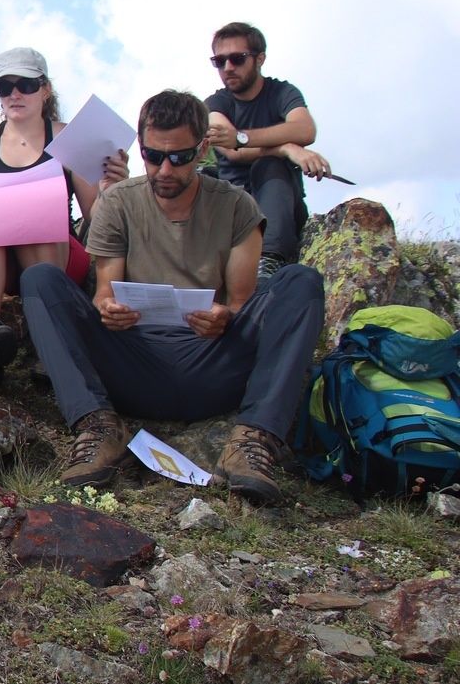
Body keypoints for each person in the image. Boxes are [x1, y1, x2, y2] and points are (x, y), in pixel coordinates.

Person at [20, 90, 325, 506]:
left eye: (179, 157)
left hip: (212, 361)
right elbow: (104, 294)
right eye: (152, 156)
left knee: (300, 281)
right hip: (133, 360)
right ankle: (96, 427)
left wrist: (225, 317)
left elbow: (240, 301)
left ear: (202, 149)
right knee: (41, 280)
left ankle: (253, 441)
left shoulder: (238, 207)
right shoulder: (117, 202)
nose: (164, 169)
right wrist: (108, 311)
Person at [0, 48, 126, 382]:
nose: (15, 94)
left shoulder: (70, 136)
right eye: (5, 86)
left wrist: (110, 188)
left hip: (52, 253)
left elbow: (94, 216)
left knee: (40, 228)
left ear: (45, 89)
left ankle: (50, 331)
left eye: (25, 84)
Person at [204, 21, 330, 281]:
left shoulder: (283, 92)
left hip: (282, 212)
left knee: (269, 166)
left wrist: (242, 138)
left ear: (260, 59)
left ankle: (268, 262)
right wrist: (285, 146)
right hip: (234, 211)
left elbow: (305, 129)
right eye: (219, 61)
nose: (228, 68)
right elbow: (232, 150)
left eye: (237, 59)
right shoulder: (216, 103)